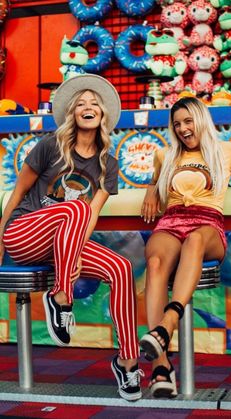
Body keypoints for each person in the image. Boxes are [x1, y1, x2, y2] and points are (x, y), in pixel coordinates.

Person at [0, 74, 144, 402]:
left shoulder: (108, 163)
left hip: (64, 243)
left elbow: (92, 213)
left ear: (103, 115)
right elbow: (18, 191)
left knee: (120, 268)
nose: (88, 107)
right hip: (25, 234)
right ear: (72, 114)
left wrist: (75, 248)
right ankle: (61, 298)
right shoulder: (50, 145)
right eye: (81, 103)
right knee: (74, 208)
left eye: (94, 103)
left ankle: (127, 361)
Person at [139, 97, 231, 398]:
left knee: (194, 239)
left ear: (201, 120)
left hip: (207, 225)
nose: (182, 129)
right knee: (155, 264)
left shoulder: (226, 150)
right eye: (177, 124)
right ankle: (161, 367)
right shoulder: (164, 155)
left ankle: (168, 321)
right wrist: (152, 190)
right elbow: (156, 183)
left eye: (188, 121)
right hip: (171, 221)